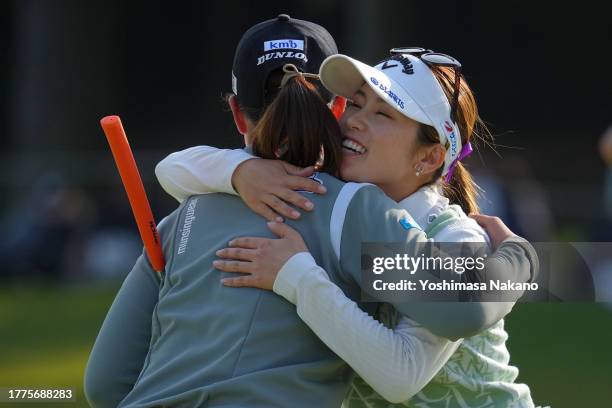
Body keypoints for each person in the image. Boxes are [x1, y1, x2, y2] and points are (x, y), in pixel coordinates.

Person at [85, 16, 536, 408]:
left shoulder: (452, 238)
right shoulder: (341, 208)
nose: (357, 120)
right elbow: (175, 168)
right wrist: (240, 169)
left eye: (384, 115)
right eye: (358, 104)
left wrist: (298, 276)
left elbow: (404, 372)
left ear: (430, 157)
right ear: (335, 107)